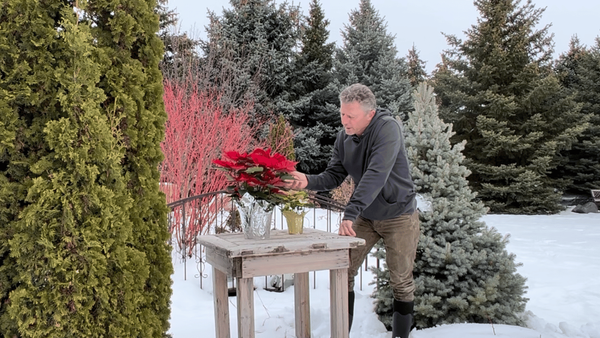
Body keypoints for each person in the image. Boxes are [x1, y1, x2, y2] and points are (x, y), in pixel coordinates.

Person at [286, 83, 420, 338]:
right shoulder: (343, 138)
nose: (344, 121)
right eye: (342, 114)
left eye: (351, 116)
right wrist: (307, 181)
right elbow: (335, 175)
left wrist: (350, 212)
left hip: (399, 216)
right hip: (366, 216)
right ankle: (341, 333)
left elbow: (376, 174)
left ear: (370, 114)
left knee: (401, 282)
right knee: (343, 270)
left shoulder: (388, 129)